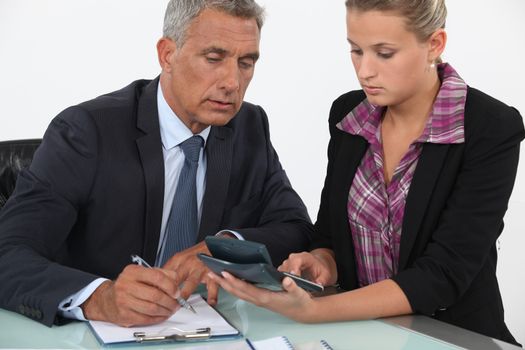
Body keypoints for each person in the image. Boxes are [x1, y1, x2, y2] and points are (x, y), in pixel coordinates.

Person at [209, 0, 524, 345]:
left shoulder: (489, 127)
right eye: (356, 50)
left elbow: (444, 274)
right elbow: (330, 234)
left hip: (452, 338)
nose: (365, 71)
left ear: (435, 44)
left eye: (384, 53)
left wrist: (316, 311)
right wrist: (322, 263)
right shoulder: (349, 116)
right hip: (362, 335)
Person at [0, 0, 314, 328]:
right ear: (167, 54)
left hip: (205, 330)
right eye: (214, 58)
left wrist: (225, 248)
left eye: (246, 63)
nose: (233, 82)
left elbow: (296, 228)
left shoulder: (249, 126)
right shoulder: (86, 132)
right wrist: (99, 298)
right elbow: (7, 253)